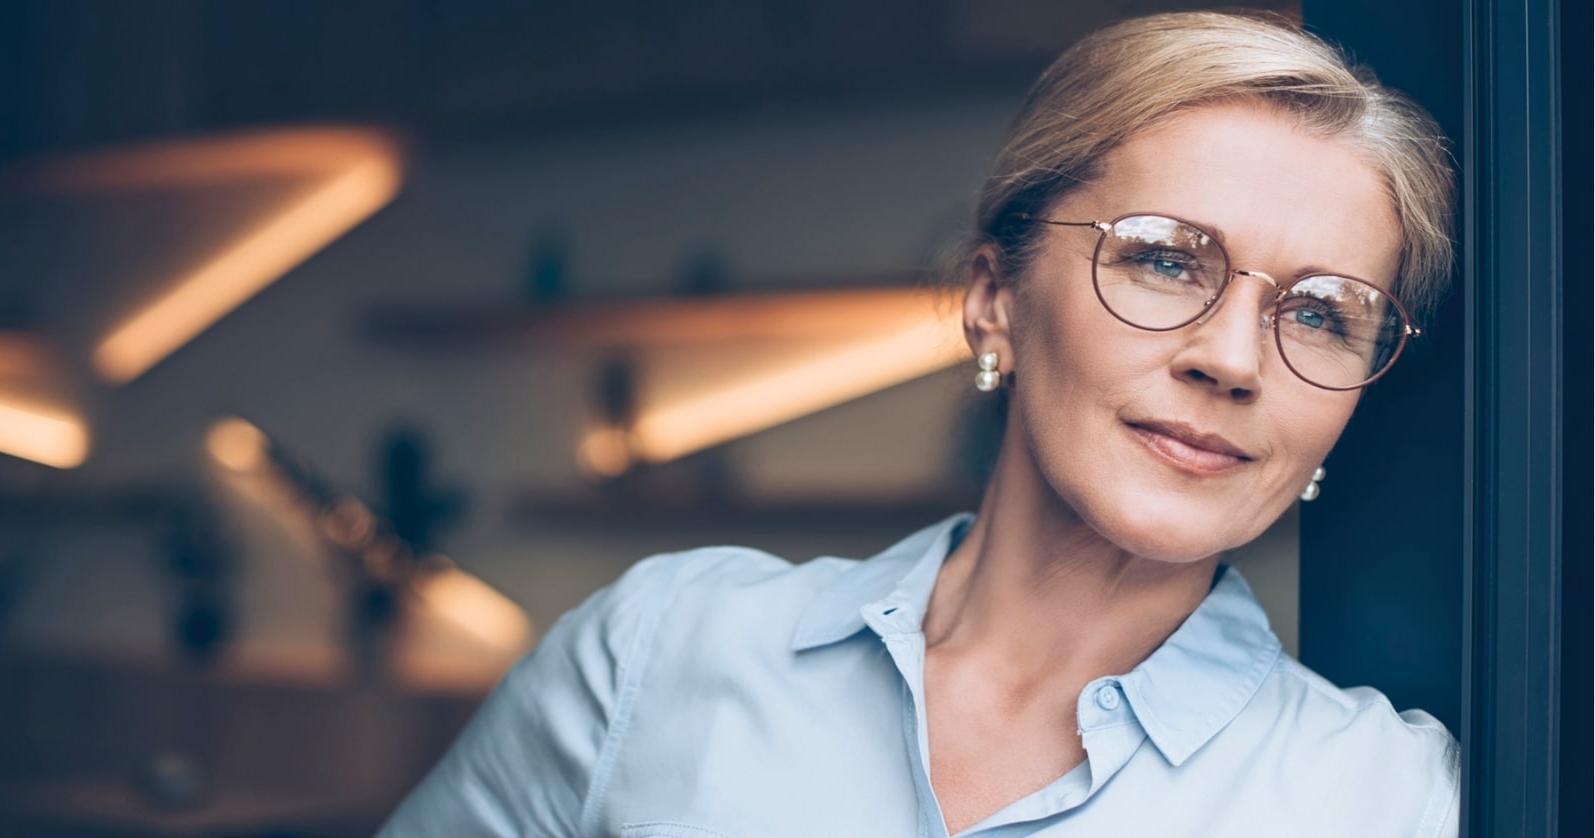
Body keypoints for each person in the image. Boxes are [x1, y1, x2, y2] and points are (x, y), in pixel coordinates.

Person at [380, 11, 1458, 837]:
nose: (1230, 358)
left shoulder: (1389, 797)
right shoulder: (659, 649)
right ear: (995, 296)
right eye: (1165, 258)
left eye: (1322, 315)